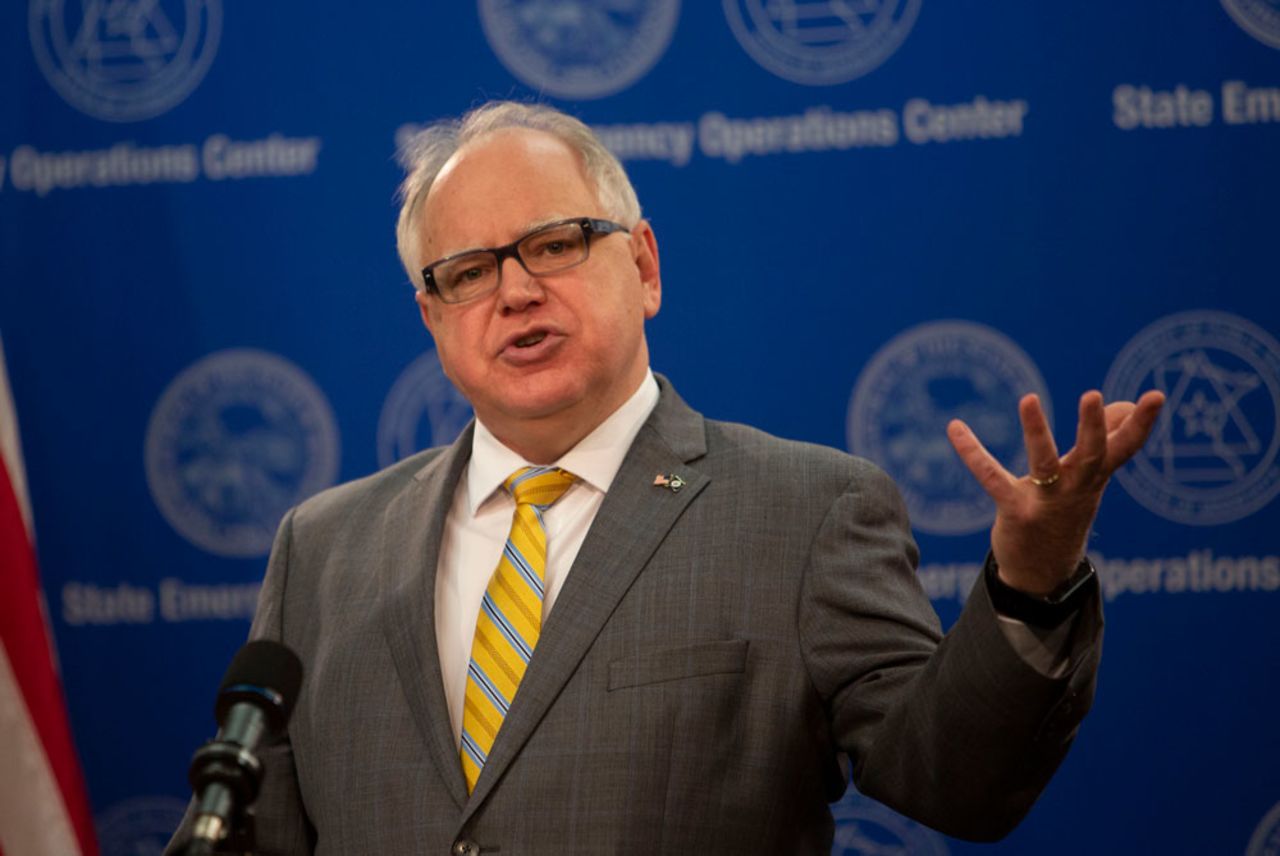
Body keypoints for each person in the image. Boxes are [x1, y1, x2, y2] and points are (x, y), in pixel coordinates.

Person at [168, 101, 1163, 855]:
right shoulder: (326, 545)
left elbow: (956, 779)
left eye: (554, 245)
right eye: (466, 271)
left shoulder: (804, 512)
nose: (514, 290)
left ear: (642, 265)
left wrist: (1030, 579)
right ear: (432, 318)